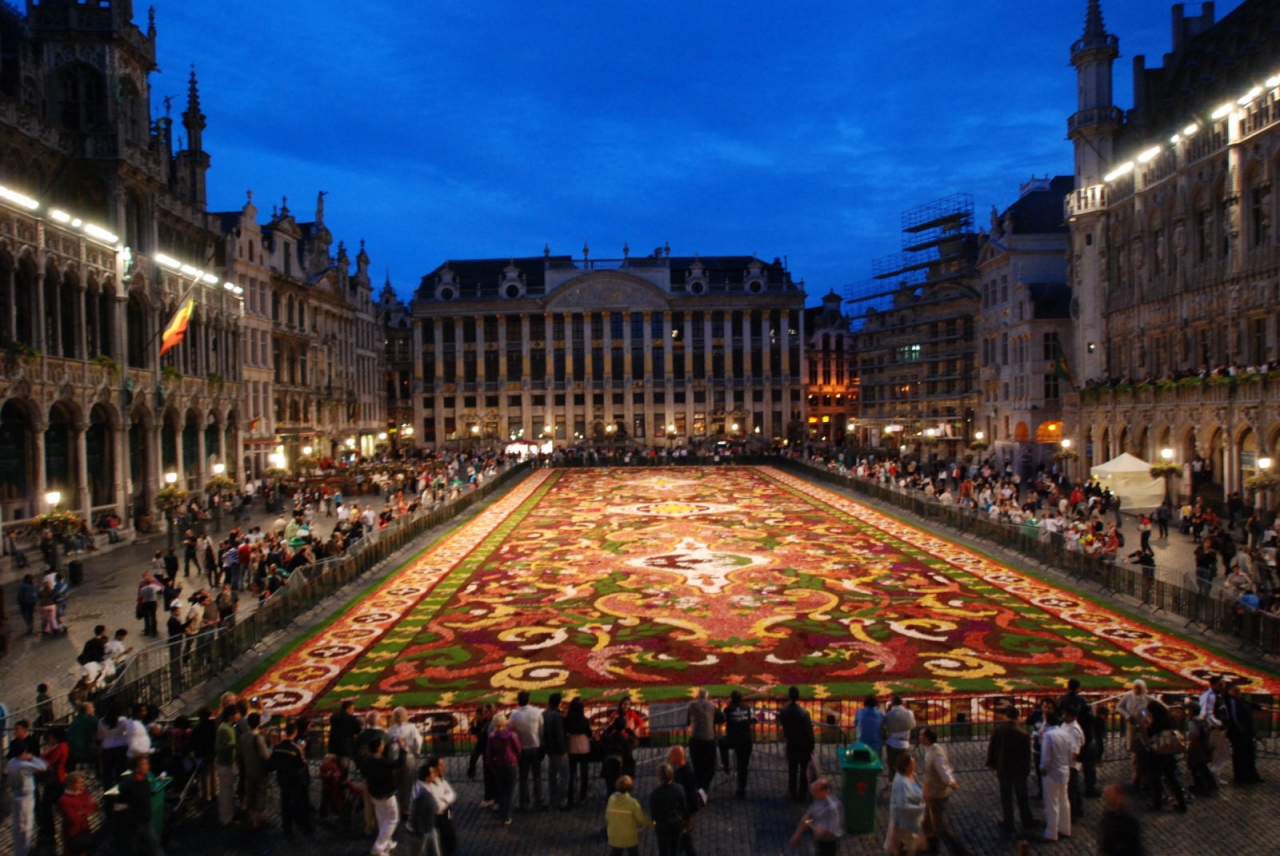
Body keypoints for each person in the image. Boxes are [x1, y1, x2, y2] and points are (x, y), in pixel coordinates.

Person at [920, 728, 972, 856]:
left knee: (937, 824)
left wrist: (951, 782)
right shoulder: (932, 750)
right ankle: (931, 847)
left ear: (927, 738)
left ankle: (956, 850)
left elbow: (943, 770)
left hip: (937, 793)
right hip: (932, 791)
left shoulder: (936, 754)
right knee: (930, 821)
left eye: (921, 735)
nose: (919, 737)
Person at [985, 705, 1034, 833]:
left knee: (1006, 796)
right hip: (1019, 770)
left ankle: (1009, 822)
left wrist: (991, 763)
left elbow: (992, 748)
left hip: (1003, 768)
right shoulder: (1024, 735)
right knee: (1022, 796)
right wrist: (1027, 769)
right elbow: (1027, 756)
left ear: (1006, 716)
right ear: (1018, 717)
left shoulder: (998, 729)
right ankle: (1027, 821)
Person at [1143, 696, 1187, 813]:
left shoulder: (1156, 721)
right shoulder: (1169, 718)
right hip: (1169, 752)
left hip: (1158, 752)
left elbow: (1150, 733)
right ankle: (1182, 803)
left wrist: (1148, 723)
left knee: (1156, 779)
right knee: (1172, 778)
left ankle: (1157, 803)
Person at [360, 736, 402, 855]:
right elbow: (399, 763)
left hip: (374, 793)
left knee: (382, 818)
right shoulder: (382, 761)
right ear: (379, 748)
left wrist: (387, 745)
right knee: (393, 819)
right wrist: (402, 748)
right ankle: (378, 847)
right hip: (386, 793)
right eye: (382, 745)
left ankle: (386, 842)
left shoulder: (367, 761)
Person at [271, 719, 313, 836]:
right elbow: (301, 764)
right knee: (301, 803)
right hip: (296, 779)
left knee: (285, 803)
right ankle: (304, 826)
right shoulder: (296, 748)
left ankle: (287, 828)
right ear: (295, 732)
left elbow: (272, 762)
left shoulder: (277, 746)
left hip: (282, 778)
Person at [116, 756, 162, 856]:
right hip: (133, 823)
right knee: (130, 848)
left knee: (154, 844)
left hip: (145, 820)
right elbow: (119, 806)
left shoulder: (145, 780)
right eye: (144, 764)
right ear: (137, 768)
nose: (147, 766)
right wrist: (131, 819)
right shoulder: (127, 786)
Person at [7, 744, 47, 856]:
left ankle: (18, 851)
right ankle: (24, 851)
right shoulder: (23, 765)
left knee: (17, 825)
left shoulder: (11, 762)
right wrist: (32, 758)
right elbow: (43, 766)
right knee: (26, 826)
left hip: (15, 794)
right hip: (26, 797)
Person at [1038, 712, 1073, 841]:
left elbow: (1046, 756)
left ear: (1047, 722)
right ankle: (1065, 828)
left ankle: (1051, 832)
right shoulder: (1065, 734)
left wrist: (1043, 768)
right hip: (1064, 770)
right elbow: (1070, 753)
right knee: (1064, 800)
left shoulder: (1049, 736)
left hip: (1052, 772)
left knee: (1051, 802)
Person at [777, 685, 815, 801]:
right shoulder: (804, 712)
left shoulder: (783, 711)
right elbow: (809, 730)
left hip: (791, 743)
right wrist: (811, 746)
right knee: (803, 770)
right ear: (798, 696)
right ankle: (802, 794)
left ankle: (792, 792)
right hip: (803, 744)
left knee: (792, 769)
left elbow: (782, 724)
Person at [508, 690, 544, 811]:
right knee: (537, 776)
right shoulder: (536, 711)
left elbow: (511, 731)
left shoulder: (514, 715)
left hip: (521, 749)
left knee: (523, 777)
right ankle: (538, 802)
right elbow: (541, 728)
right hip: (535, 746)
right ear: (529, 700)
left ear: (518, 701)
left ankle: (523, 802)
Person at [1224, 681, 1263, 784]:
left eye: (1239, 691)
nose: (1238, 693)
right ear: (1229, 692)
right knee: (1240, 755)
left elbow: (1249, 705)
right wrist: (1241, 729)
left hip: (1245, 731)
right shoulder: (1230, 701)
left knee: (1249, 754)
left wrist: (1258, 707)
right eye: (1235, 691)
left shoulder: (1239, 700)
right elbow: (1234, 717)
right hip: (1238, 732)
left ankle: (1251, 776)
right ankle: (1241, 777)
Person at [238, 712, 271, 830]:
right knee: (260, 794)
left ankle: (253, 818)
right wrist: (269, 745)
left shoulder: (243, 736)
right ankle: (257, 819)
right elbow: (266, 755)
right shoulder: (258, 738)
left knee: (251, 793)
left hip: (248, 768)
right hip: (259, 770)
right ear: (259, 723)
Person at [884, 755, 924, 855]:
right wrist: (920, 808)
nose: (916, 765)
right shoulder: (901, 783)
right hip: (903, 823)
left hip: (912, 820)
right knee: (904, 848)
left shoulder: (912, 775)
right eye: (913, 763)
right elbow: (903, 806)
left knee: (910, 846)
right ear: (907, 767)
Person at [485, 712, 521, 825]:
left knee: (502, 791)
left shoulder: (492, 736)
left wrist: (492, 766)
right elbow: (518, 749)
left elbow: (489, 754)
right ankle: (507, 816)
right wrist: (517, 759)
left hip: (498, 765)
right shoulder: (511, 735)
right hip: (511, 764)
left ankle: (502, 813)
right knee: (509, 791)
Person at [605, 775, 653, 856]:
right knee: (633, 852)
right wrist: (652, 824)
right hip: (629, 836)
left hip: (614, 834)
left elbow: (607, 816)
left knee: (616, 852)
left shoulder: (611, 799)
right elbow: (642, 819)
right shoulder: (632, 803)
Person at [719, 690, 755, 798]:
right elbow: (754, 719)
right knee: (743, 766)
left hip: (733, 740)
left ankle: (726, 764)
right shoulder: (748, 708)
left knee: (721, 742)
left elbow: (721, 719)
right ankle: (741, 789)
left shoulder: (728, 709)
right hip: (746, 740)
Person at [387, 706, 423, 813]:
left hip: (394, 759)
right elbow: (418, 741)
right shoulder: (412, 728)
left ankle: (398, 806)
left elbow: (386, 744)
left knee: (397, 784)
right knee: (409, 783)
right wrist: (416, 752)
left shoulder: (390, 730)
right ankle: (407, 806)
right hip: (409, 757)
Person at [1115, 679, 1151, 786]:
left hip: (1143, 727)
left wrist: (1145, 716)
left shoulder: (1146, 698)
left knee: (1143, 751)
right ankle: (1137, 776)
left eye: (1138, 689)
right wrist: (1127, 715)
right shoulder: (1128, 696)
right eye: (1134, 688)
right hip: (1132, 726)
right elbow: (1119, 707)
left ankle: (1142, 776)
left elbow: (1145, 710)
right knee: (1135, 751)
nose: (1136, 690)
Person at [667, 745, 701, 856]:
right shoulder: (685, 769)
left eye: (671, 756)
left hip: (682, 813)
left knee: (683, 841)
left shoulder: (682, 774)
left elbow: (689, 794)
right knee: (684, 840)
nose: (669, 758)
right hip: (683, 813)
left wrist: (689, 815)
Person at [686, 687, 719, 794]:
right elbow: (720, 717)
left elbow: (687, 721)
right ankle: (704, 788)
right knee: (710, 767)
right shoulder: (712, 705)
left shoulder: (691, 705)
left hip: (695, 739)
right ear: (707, 696)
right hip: (708, 740)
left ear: (697, 695)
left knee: (697, 766)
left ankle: (699, 788)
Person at [649, 763, 687, 856]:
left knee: (663, 851)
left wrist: (655, 824)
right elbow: (684, 807)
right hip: (676, 824)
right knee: (675, 849)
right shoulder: (679, 789)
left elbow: (653, 812)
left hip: (662, 826)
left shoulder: (655, 793)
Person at [1097, 782, 1145, 856]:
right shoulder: (1109, 815)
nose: (1104, 794)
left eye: (1108, 793)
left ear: (1119, 798)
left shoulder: (1127, 821)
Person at [423, 754, 457, 856]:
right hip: (435, 818)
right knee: (440, 845)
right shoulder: (427, 785)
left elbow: (452, 793)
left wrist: (445, 799)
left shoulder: (440, 780)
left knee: (451, 842)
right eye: (441, 765)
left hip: (445, 815)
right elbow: (437, 805)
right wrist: (445, 801)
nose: (444, 768)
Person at [213, 704, 241, 826]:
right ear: (231, 715)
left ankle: (227, 815)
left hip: (227, 763)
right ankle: (226, 818)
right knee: (226, 791)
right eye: (237, 713)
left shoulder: (228, 727)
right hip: (225, 764)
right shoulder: (224, 729)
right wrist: (233, 746)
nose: (238, 716)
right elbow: (218, 748)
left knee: (227, 790)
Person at [57, 772, 97, 856]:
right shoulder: (64, 800)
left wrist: (82, 812)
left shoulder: (83, 792)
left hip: (84, 829)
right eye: (79, 783)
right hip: (73, 833)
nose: (82, 784)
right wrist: (85, 810)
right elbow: (73, 818)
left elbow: (94, 806)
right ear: (71, 785)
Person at [405, 762, 441, 856]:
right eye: (432, 773)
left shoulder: (422, 787)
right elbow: (417, 815)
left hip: (428, 828)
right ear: (427, 778)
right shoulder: (423, 795)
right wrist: (420, 833)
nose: (435, 774)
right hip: (419, 833)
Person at [564, 698, 592, 808]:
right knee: (584, 774)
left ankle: (570, 796)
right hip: (584, 749)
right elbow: (589, 734)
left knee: (571, 774)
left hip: (572, 749)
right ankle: (583, 797)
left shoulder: (567, 720)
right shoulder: (584, 720)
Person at [542, 692, 568, 810]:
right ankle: (561, 800)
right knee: (564, 775)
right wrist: (563, 751)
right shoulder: (557, 716)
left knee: (551, 774)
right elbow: (559, 735)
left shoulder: (545, 713)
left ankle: (552, 798)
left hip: (548, 748)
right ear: (559, 703)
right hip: (557, 750)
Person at [884, 694, 916, 779]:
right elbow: (913, 725)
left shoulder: (890, 714)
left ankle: (892, 782)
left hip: (892, 743)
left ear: (892, 703)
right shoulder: (909, 713)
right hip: (905, 743)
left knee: (892, 766)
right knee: (903, 766)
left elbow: (885, 726)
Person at [327, 699, 361, 775]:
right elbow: (356, 731)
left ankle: (335, 783)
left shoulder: (334, 717)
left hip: (333, 746)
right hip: (345, 747)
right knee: (344, 769)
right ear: (348, 708)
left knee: (334, 769)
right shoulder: (351, 719)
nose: (353, 711)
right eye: (352, 709)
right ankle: (342, 783)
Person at [854, 694, 885, 760]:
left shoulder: (860, 712)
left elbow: (856, 723)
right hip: (875, 745)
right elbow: (882, 726)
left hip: (861, 744)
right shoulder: (880, 714)